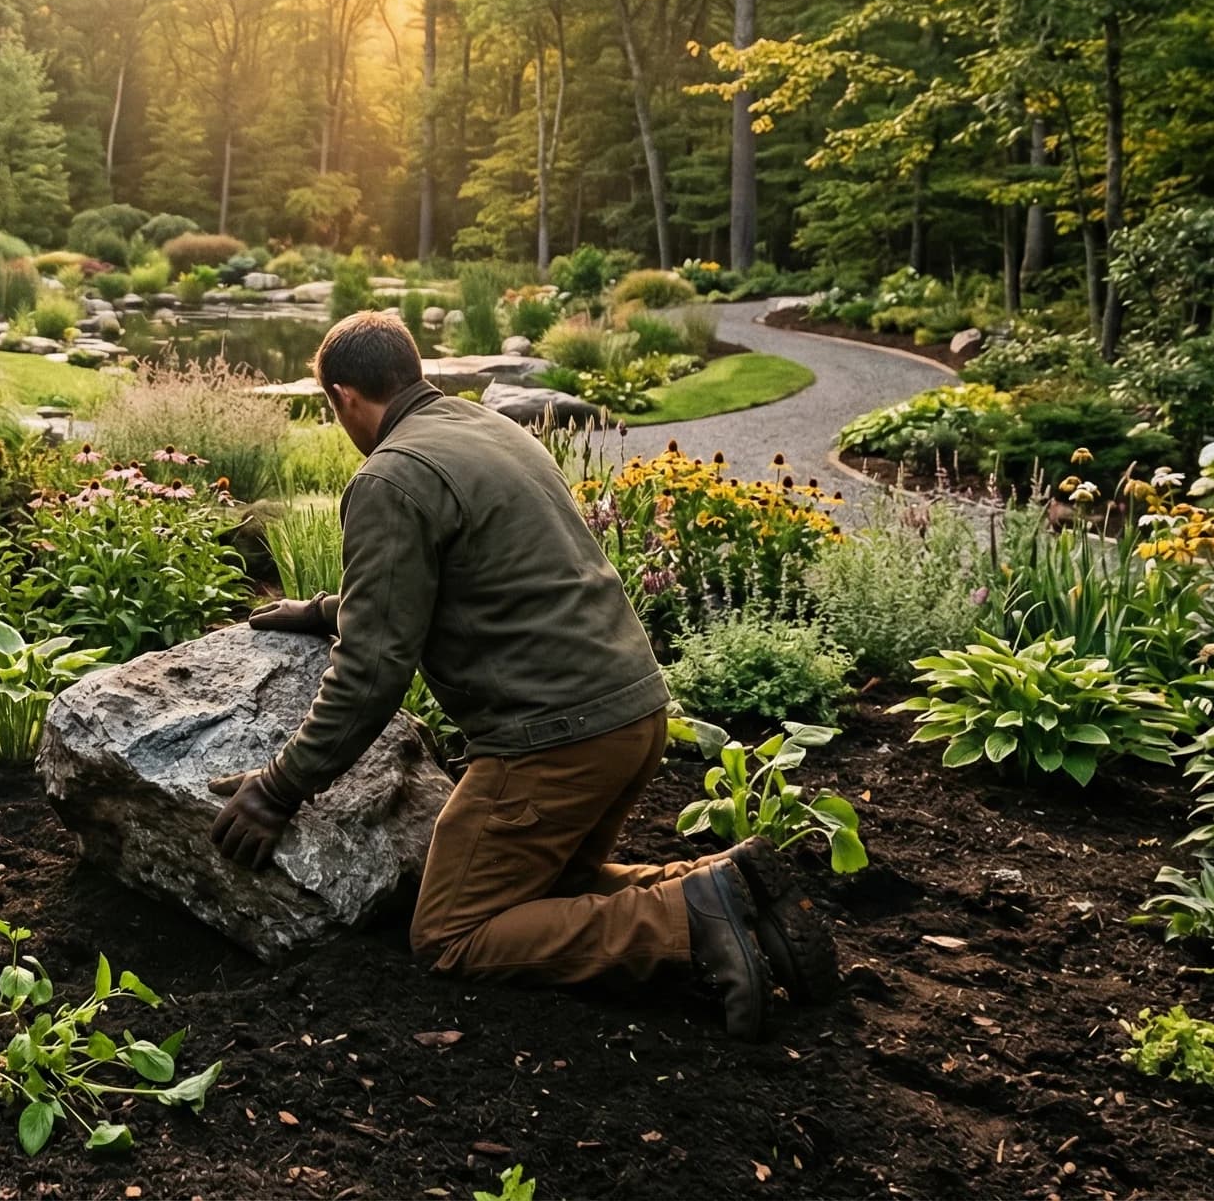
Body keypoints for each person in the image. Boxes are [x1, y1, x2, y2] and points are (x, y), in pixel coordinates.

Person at [207, 312, 838, 1038]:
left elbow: (374, 671)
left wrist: (278, 790)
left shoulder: (392, 476)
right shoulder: (492, 429)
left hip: (552, 746)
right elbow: (474, 575)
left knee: (453, 932)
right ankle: (737, 891)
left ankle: (688, 918)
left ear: (344, 397)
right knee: (551, 890)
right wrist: (328, 609)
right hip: (632, 718)